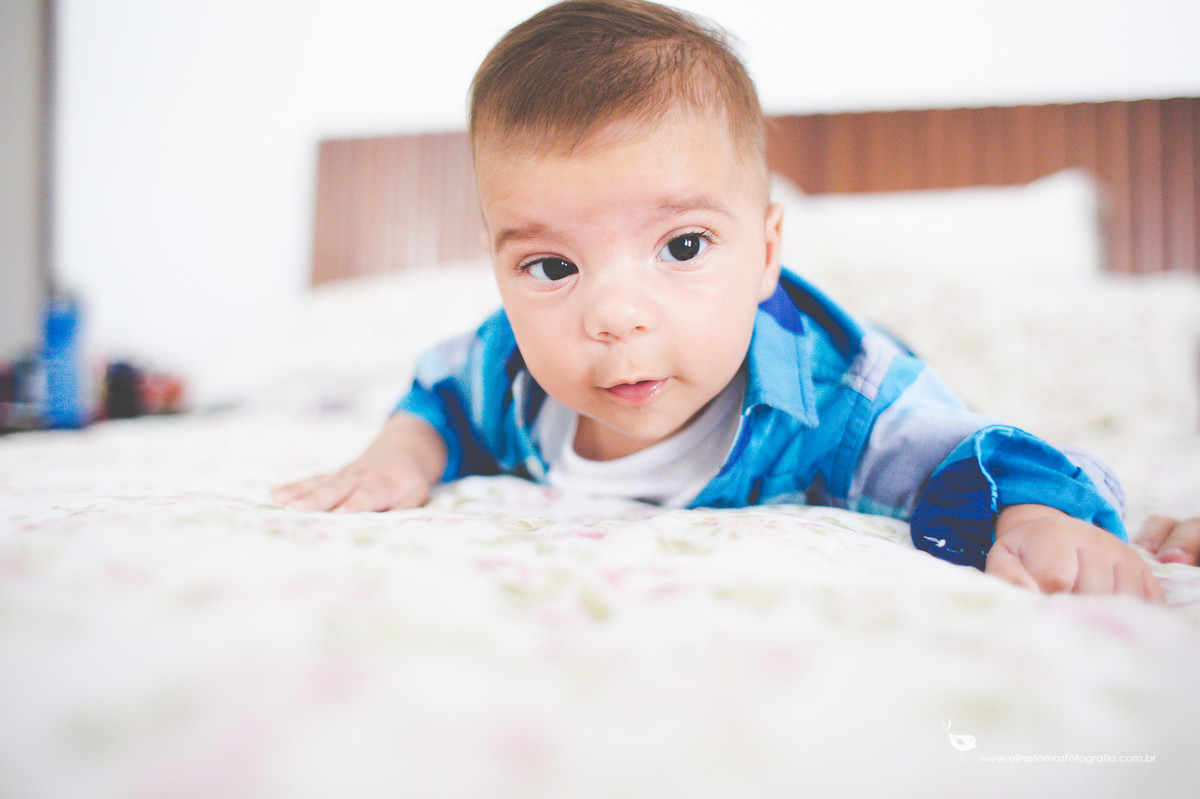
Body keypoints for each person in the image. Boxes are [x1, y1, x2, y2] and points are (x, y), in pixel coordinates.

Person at [273, 0, 1195, 598]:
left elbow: (973, 457)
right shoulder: (507, 369)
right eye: (552, 267)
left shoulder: (847, 406)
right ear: (498, 268)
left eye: (682, 246)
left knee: (995, 452)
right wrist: (400, 454)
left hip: (830, 359)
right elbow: (436, 393)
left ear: (764, 253)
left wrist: (1041, 518)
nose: (614, 314)